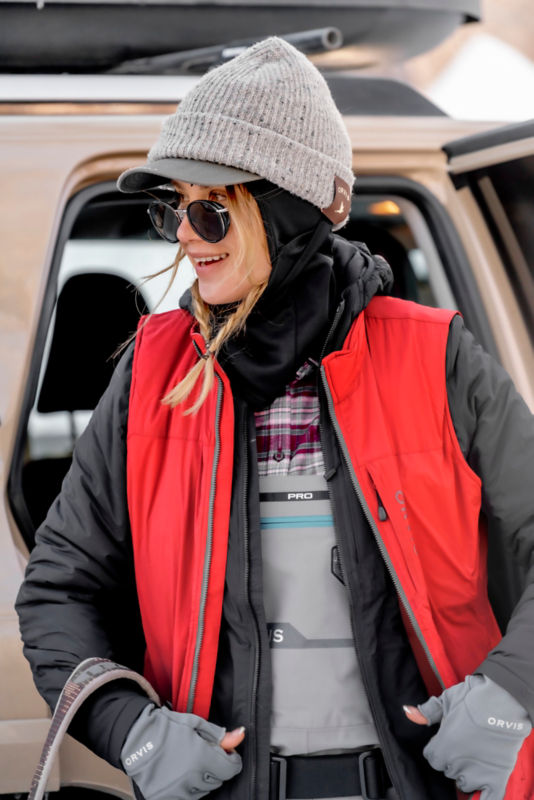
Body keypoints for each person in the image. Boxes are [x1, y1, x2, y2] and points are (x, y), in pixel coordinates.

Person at [16, 36, 534, 800]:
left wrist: (508, 697)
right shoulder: (153, 375)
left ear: (289, 210)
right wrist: (131, 728)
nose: (186, 234)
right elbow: (59, 587)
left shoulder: (439, 361)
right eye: (173, 212)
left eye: (210, 212)